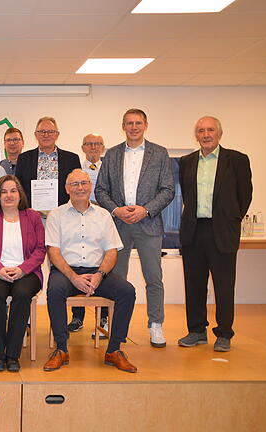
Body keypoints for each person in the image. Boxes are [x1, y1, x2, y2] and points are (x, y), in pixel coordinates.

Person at [43, 169, 137, 373]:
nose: (80, 188)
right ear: (67, 189)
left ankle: (114, 350)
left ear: (90, 186)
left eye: (84, 183)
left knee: (127, 291)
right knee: (55, 290)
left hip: (97, 270)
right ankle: (61, 349)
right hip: (66, 271)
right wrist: (73, 277)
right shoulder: (56, 215)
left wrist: (100, 275)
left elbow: (112, 251)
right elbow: (53, 251)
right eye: (75, 184)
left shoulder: (103, 215)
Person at [95, 108, 175, 348]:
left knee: (154, 277)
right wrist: (116, 210)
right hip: (119, 224)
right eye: (129, 123)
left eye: (138, 123)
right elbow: (100, 190)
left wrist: (145, 209)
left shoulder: (159, 154)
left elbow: (168, 189)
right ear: (123, 126)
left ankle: (156, 325)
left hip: (148, 223)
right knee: (115, 277)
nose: (133, 127)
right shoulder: (111, 155)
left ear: (145, 125)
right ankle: (109, 323)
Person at [177, 116, 252, 352]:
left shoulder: (237, 160)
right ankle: (197, 331)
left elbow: (245, 195)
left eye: (210, 130)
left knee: (224, 285)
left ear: (220, 133)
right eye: (201, 130)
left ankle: (224, 334)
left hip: (222, 231)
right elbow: (187, 196)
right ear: (196, 135)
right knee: (194, 284)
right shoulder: (186, 162)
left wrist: (231, 220)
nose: (206, 134)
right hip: (193, 231)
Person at [0, 175, 45, 372]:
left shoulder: (32, 216)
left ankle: (12, 354)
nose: (8, 195)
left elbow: (40, 249)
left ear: (19, 193)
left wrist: (23, 269)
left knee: (22, 294)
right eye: (4, 191)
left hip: (27, 271)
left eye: (13, 190)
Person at [69, 133, 107, 333]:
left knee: (100, 265)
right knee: (78, 262)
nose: (93, 147)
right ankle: (78, 317)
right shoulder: (76, 170)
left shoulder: (109, 169)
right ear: (83, 147)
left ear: (102, 147)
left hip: (101, 220)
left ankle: (102, 319)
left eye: (97, 144)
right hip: (78, 219)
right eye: (89, 144)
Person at [14, 117, 81, 213]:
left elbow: (77, 188)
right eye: (42, 131)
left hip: (65, 215)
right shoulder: (24, 159)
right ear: (36, 135)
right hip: (32, 215)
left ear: (57, 134)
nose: (46, 135)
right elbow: (19, 188)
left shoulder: (72, 159)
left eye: (50, 131)